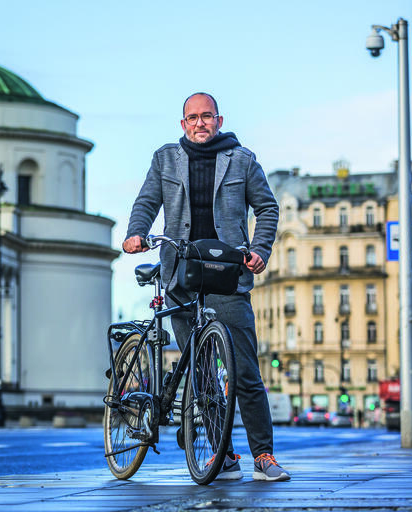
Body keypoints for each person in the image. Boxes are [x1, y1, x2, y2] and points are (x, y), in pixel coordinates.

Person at [122, 92, 289, 482]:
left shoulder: (242, 159)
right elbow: (147, 201)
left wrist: (260, 249)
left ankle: (263, 456)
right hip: (181, 276)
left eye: (207, 116)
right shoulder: (165, 158)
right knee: (203, 376)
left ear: (219, 119)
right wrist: (136, 233)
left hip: (227, 274)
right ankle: (222, 453)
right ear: (183, 124)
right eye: (193, 118)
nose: (200, 123)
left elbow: (267, 208)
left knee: (245, 371)